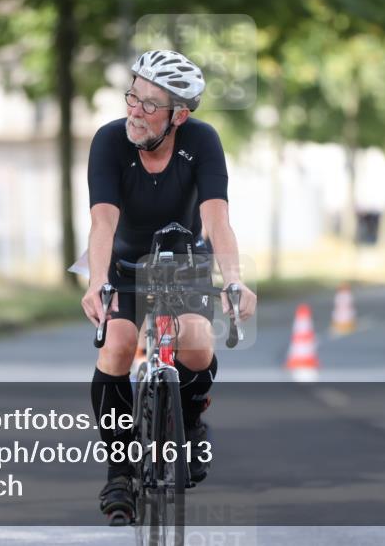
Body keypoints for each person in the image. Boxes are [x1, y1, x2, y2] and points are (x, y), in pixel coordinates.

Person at [81, 49, 258, 521]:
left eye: (149, 104)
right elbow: (102, 223)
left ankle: (191, 422)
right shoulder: (109, 142)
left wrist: (234, 279)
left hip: (184, 262)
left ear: (180, 114)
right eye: (132, 97)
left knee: (196, 343)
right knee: (116, 346)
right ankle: (119, 472)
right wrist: (98, 281)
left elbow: (217, 221)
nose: (134, 111)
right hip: (122, 263)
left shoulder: (202, 141)